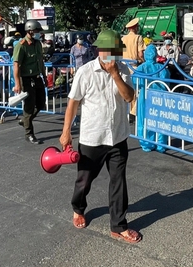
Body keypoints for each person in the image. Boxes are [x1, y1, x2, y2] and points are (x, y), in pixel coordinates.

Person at [60, 29, 142, 244]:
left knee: (118, 182)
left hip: (117, 137)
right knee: (84, 180)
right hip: (92, 138)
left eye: (116, 51)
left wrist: (115, 74)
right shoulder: (85, 72)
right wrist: (66, 131)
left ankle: (119, 225)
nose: (112, 55)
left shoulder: (123, 70)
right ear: (99, 50)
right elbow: (73, 102)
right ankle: (78, 208)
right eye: (108, 51)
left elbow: (128, 97)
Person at [13, 20, 47, 144]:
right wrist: (18, 84)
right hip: (26, 79)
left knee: (41, 103)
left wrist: (44, 76)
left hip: (37, 77)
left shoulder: (37, 44)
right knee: (29, 106)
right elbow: (16, 66)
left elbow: (41, 62)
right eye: (37, 31)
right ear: (30, 31)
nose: (39, 33)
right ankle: (29, 134)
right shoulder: (21, 45)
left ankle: (25, 121)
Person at [134, 44, 169, 153]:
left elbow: (135, 81)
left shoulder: (141, 67)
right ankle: (161, 144)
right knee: (160, 120)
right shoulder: (161, 67)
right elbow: (167, 79)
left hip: (145, 97)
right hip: (159, 98)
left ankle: (146, 144)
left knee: (144, 119)